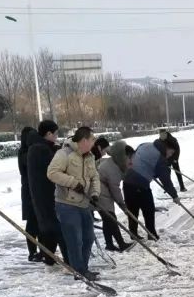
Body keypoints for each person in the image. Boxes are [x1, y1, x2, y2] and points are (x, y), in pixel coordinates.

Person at [48, 126, 101, 280]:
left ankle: (83, 269)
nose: (93, 143)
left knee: (88, 238)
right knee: (74, 239)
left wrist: (95, 194)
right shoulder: (64, 154)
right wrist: (73, 183)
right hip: (66, 204)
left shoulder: (89, 156)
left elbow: (94, 177)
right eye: (92, 140)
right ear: (84, 140)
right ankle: (79, 271)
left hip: (84, 203)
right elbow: (52, 173)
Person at [26, 120, 68, 265]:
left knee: (49, 229)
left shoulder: (37, 147)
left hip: (42, 195)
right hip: (47, 195)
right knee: (58, 228)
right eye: (55, 134)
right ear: (48, 133)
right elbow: (53, 171)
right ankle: (71, 262)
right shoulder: (40, 150)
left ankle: (49, 258)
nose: (57, 137)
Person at [123, 138, 179, 240]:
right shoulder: (160, 158)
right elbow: (166, 180)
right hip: (140, 185)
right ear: (166, 148)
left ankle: (133, 233)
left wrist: (152, 170)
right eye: (170, 153)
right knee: (148, 210)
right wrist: (174, 196)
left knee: (133, 211)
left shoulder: (145, 144)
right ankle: (152, 234)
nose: (170, 155)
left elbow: (138, 158)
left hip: (127, 182)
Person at [96, 141, 136, 252]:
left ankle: (109, 244)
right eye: (129, 158)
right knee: (111, 218)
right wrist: (122, 204)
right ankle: (121, 244)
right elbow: (115, 189)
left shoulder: (115, 163)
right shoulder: (112, 168)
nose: (131, 161)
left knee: (107, 219)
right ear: (123, 157)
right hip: (99, 191)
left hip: (102, 190)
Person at [17, 126, 41, 262]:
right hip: (29, 191)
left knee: (36, 222)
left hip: (31, 190)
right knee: (32, 223)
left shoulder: (26, 152)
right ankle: (32, 252)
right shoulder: (25, 154)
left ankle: (39, 249)